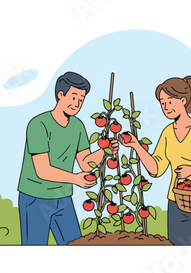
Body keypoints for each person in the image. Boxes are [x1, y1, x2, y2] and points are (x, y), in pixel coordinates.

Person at [120, 76, 191, 245]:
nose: (166, 107)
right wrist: (135, 145)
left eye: (170, 101)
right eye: (162, 103)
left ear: (183, 100)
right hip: (177, 202)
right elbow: (156, 169)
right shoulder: (167, 133)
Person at [17, 71, 118, 245]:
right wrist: (75, 179)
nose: (77, 104)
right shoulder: (38, 125)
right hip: (35, 198)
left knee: (75, 247)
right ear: (60, 95)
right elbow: (42, 170)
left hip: (63, 198)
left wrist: (104, 150)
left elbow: (85, 163)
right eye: (73, 97)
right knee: (34, 250)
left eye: (81, 99)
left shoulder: (77, 126)